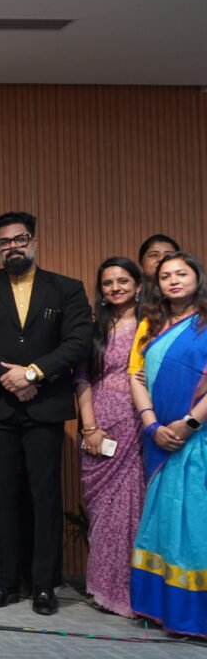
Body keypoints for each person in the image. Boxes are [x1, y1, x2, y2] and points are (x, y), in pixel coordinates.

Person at [0, 212, 92, 616]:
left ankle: (45, 585)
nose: (13, 247)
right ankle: (4, 582)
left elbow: (78, 341)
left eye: (20, 239)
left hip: (44, 405)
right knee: (0, 497)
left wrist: (34, 372)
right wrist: (8, 377)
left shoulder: (66, 288)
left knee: (45, 497)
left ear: (34, 241)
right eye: (5, 242)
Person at [128, 251, 207, 637]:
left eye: (181, 273)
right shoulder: (152, 324)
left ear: (197, 277)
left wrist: (189, 423)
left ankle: (195, 615)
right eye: (164, 276)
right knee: (163, 523)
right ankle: (163, 608)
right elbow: (137, 377)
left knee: (195, 526)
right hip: (159, 438)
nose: (173, 280)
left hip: (197, 440)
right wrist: (152, 424)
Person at [73, 256, 143, 618]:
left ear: (138, 284)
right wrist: (89, 427)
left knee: (133, 510)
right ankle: (102, 589)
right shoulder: (93, 327)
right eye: (108, 283)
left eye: (122, 281)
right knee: (102, 514)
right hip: (98, 425)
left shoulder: (153, 325)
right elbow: (82, 378)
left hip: (139, 427)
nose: (115, 288)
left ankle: (131, 592)